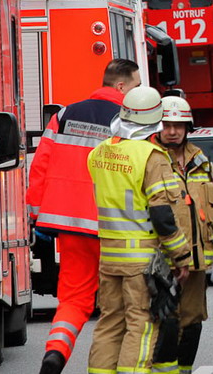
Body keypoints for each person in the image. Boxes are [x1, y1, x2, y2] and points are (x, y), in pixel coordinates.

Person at [27, 59, 141, 374]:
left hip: (70, 226)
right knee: (120, 305)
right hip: (113, 226)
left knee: (73, 299)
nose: (139, 92)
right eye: (137, 85)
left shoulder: (64, 115)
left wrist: (37, 216)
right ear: (122, 86)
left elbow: (41, 165)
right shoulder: (129, 120)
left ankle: (55, 353)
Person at [86, 87, 191, 374]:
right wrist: (181, 256)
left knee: (110, 323)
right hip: (141, 261)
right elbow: (163, 216)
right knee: (141, 324)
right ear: (156, 120)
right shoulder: (152, 157)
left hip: (109, 257)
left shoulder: (99, 152)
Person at [150, 96, 213, 374]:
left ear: (189, 127)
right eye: (166, 124)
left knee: (193, 321)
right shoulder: (150, 160)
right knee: (166, 321)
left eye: (179, 125)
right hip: (162, 262)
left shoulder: (201, 161)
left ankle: (184, 370)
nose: (172, 131)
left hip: (197, 262)